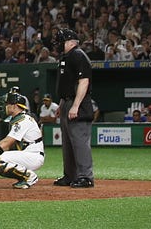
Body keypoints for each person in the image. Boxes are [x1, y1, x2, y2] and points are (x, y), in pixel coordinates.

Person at [0, 91, 45, 189]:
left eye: (7, 104)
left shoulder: (23, 120)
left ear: (15, 106)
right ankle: (24, 177)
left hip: (33, 156)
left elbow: (7, 142)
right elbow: (8, 146)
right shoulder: (19, 119)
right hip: (29, 154)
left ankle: (29, 176)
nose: (5, 106)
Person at [54, 28, 94, 188]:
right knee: (68, 143)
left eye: (60, 41)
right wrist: (62, 104)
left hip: (79, 104)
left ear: (71, 42)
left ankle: (85, 177)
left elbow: (84, 82)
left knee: (79, 141)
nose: (58, 45)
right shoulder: (66, 57)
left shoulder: (78, 55)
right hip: (68, 102)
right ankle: (70, 175)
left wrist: (75, 106)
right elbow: (67, 86)